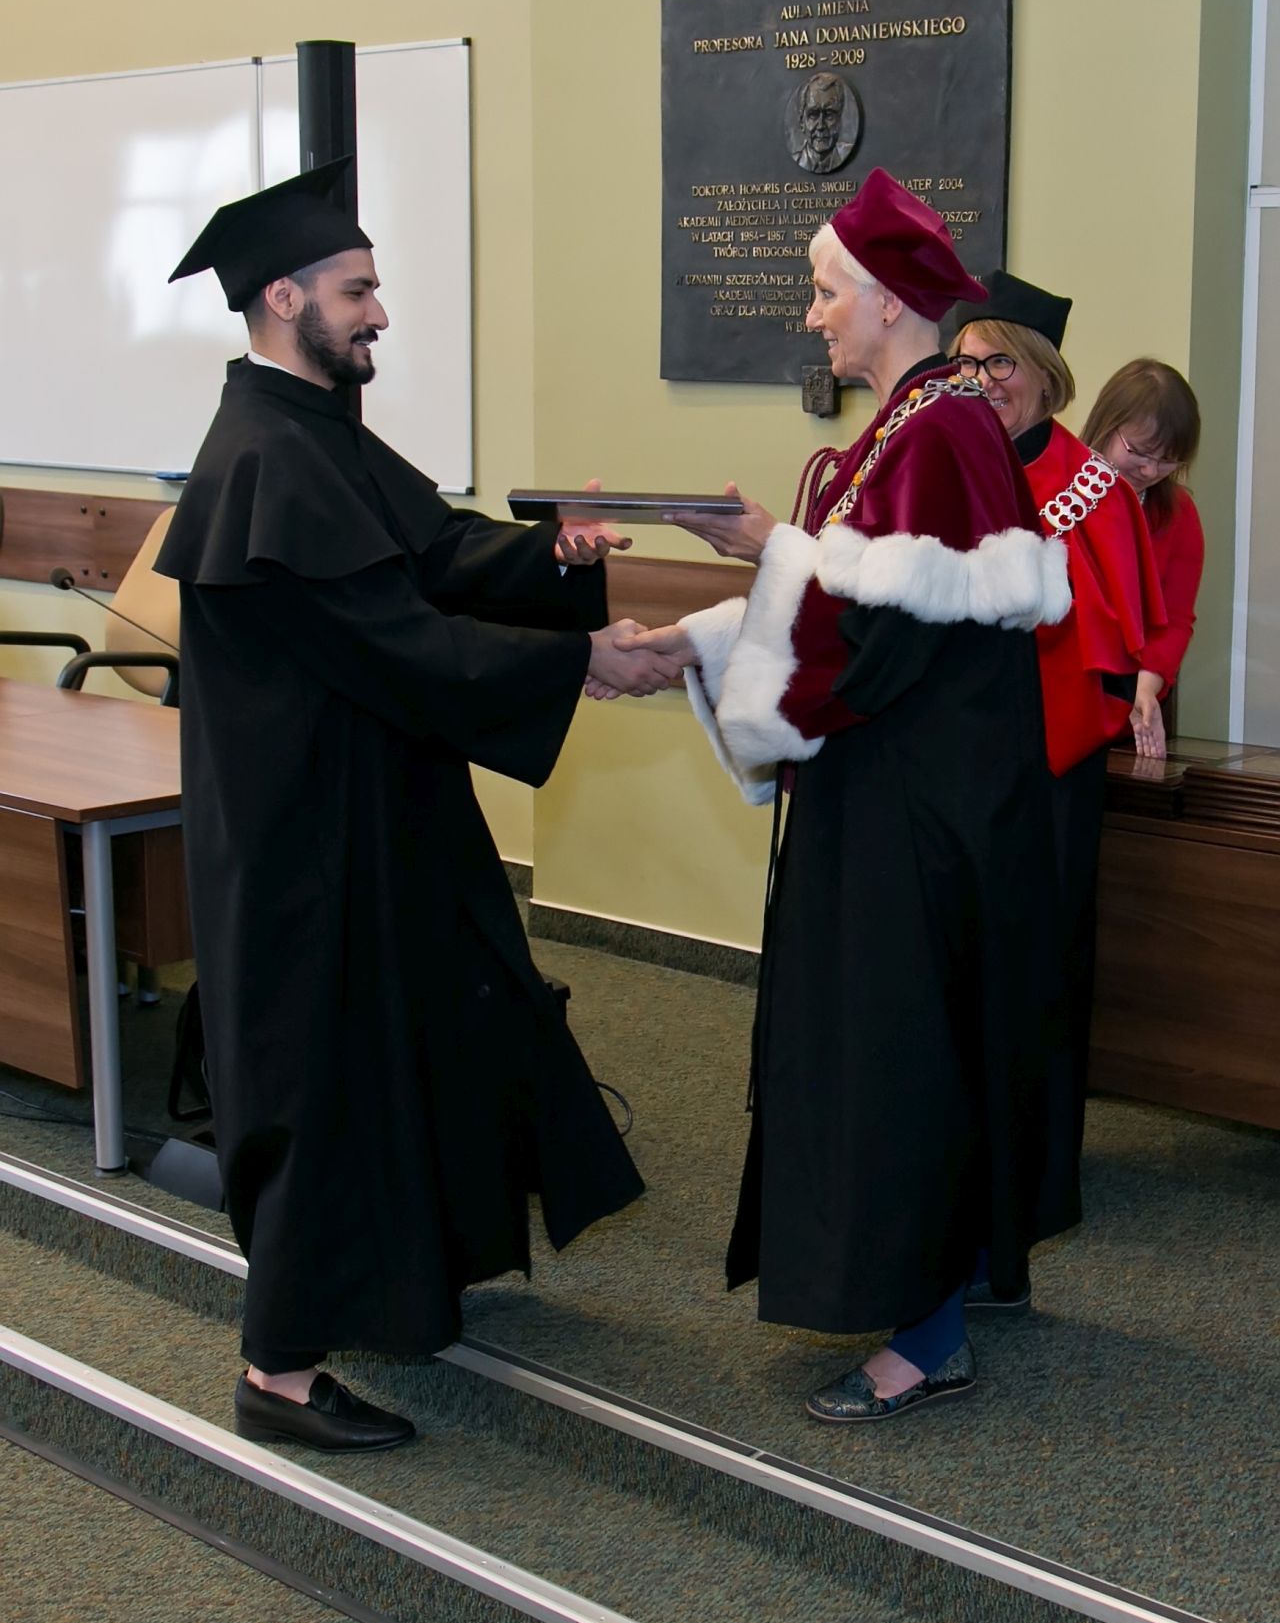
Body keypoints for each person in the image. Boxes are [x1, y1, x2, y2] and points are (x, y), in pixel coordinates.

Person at [158, 160, 667, 1452]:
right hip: (304, 849)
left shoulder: (310, 429)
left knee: (424, 1030)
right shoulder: (264, 454)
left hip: (372, 819)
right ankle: (275, 1376)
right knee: (320, 1083)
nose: (379, 312)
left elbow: (431, 550)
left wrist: (550, 557)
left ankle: (416, 1277)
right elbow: (396, 641)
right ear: (283, 298)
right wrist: (580, 660)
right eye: (357, 290)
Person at [633, 170, 1074, 1421]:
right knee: (928, 1037)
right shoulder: (913, 425)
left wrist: (754, 572)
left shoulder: (936, 429)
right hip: (910, 796)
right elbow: (850, 605)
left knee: (897, 1051)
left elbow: (879, 636)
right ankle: (961, 1272)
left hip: (912, 815)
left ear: (886, 299)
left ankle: (925, 1337)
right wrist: (699, 633)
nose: (813, 313)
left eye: (826, 291)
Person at [950, 276, 1166, 1304]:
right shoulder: (949, 462)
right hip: (959, 766)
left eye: (1000, 362)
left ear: (1044, 373)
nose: (982, 381)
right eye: (965, 363)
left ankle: (1031, 1195)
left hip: (1044, 773)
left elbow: (1110, 637)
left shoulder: (1086, 483)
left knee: (1036, 979)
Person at [1080, 359, 1204, 759]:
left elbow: (1175, 619)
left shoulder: (1178, 514)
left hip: (1131, 699)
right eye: (1140, 451)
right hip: (1061, 694)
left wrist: (1146, 686)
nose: (1151, 470)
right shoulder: (1061, 495)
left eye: (1169, 460)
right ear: (1106, 424)